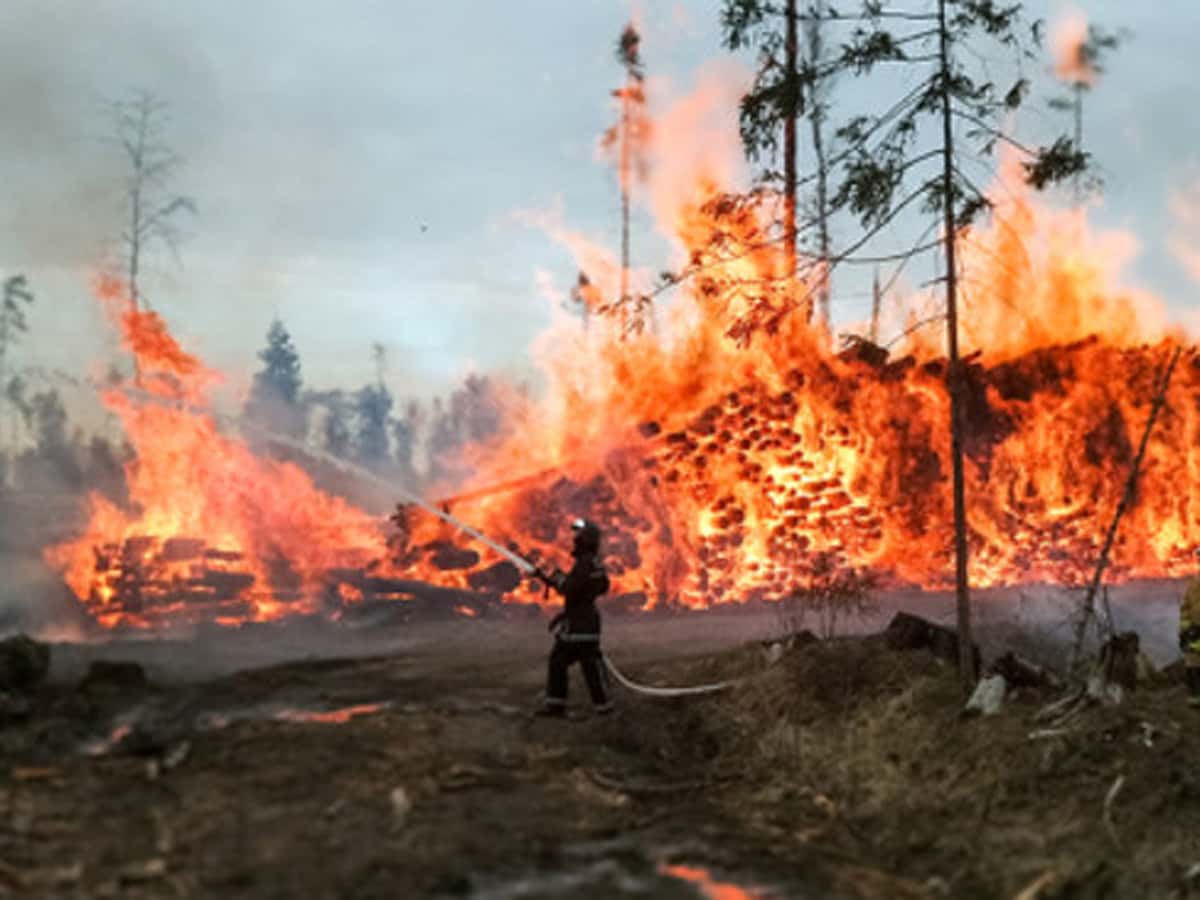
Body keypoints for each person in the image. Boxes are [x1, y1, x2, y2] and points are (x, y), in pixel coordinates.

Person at [535, 518, 613, 718]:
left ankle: (556, 706)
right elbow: (601, 587)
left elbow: (569, 589)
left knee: (559, 660)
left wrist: (551, 577)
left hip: (579, 626)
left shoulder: (584, 563)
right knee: (589, 665)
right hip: (587, 622)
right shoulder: (594, 563)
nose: (574, 540)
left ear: (585, 540)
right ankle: (604, 707)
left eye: (577, 537)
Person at [1180, 551, 1200, 706]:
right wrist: (1184, 631)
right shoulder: (1193, 584)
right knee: (1192, 663)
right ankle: (1194, 697)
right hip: (1195, 632)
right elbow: (1185, 609)